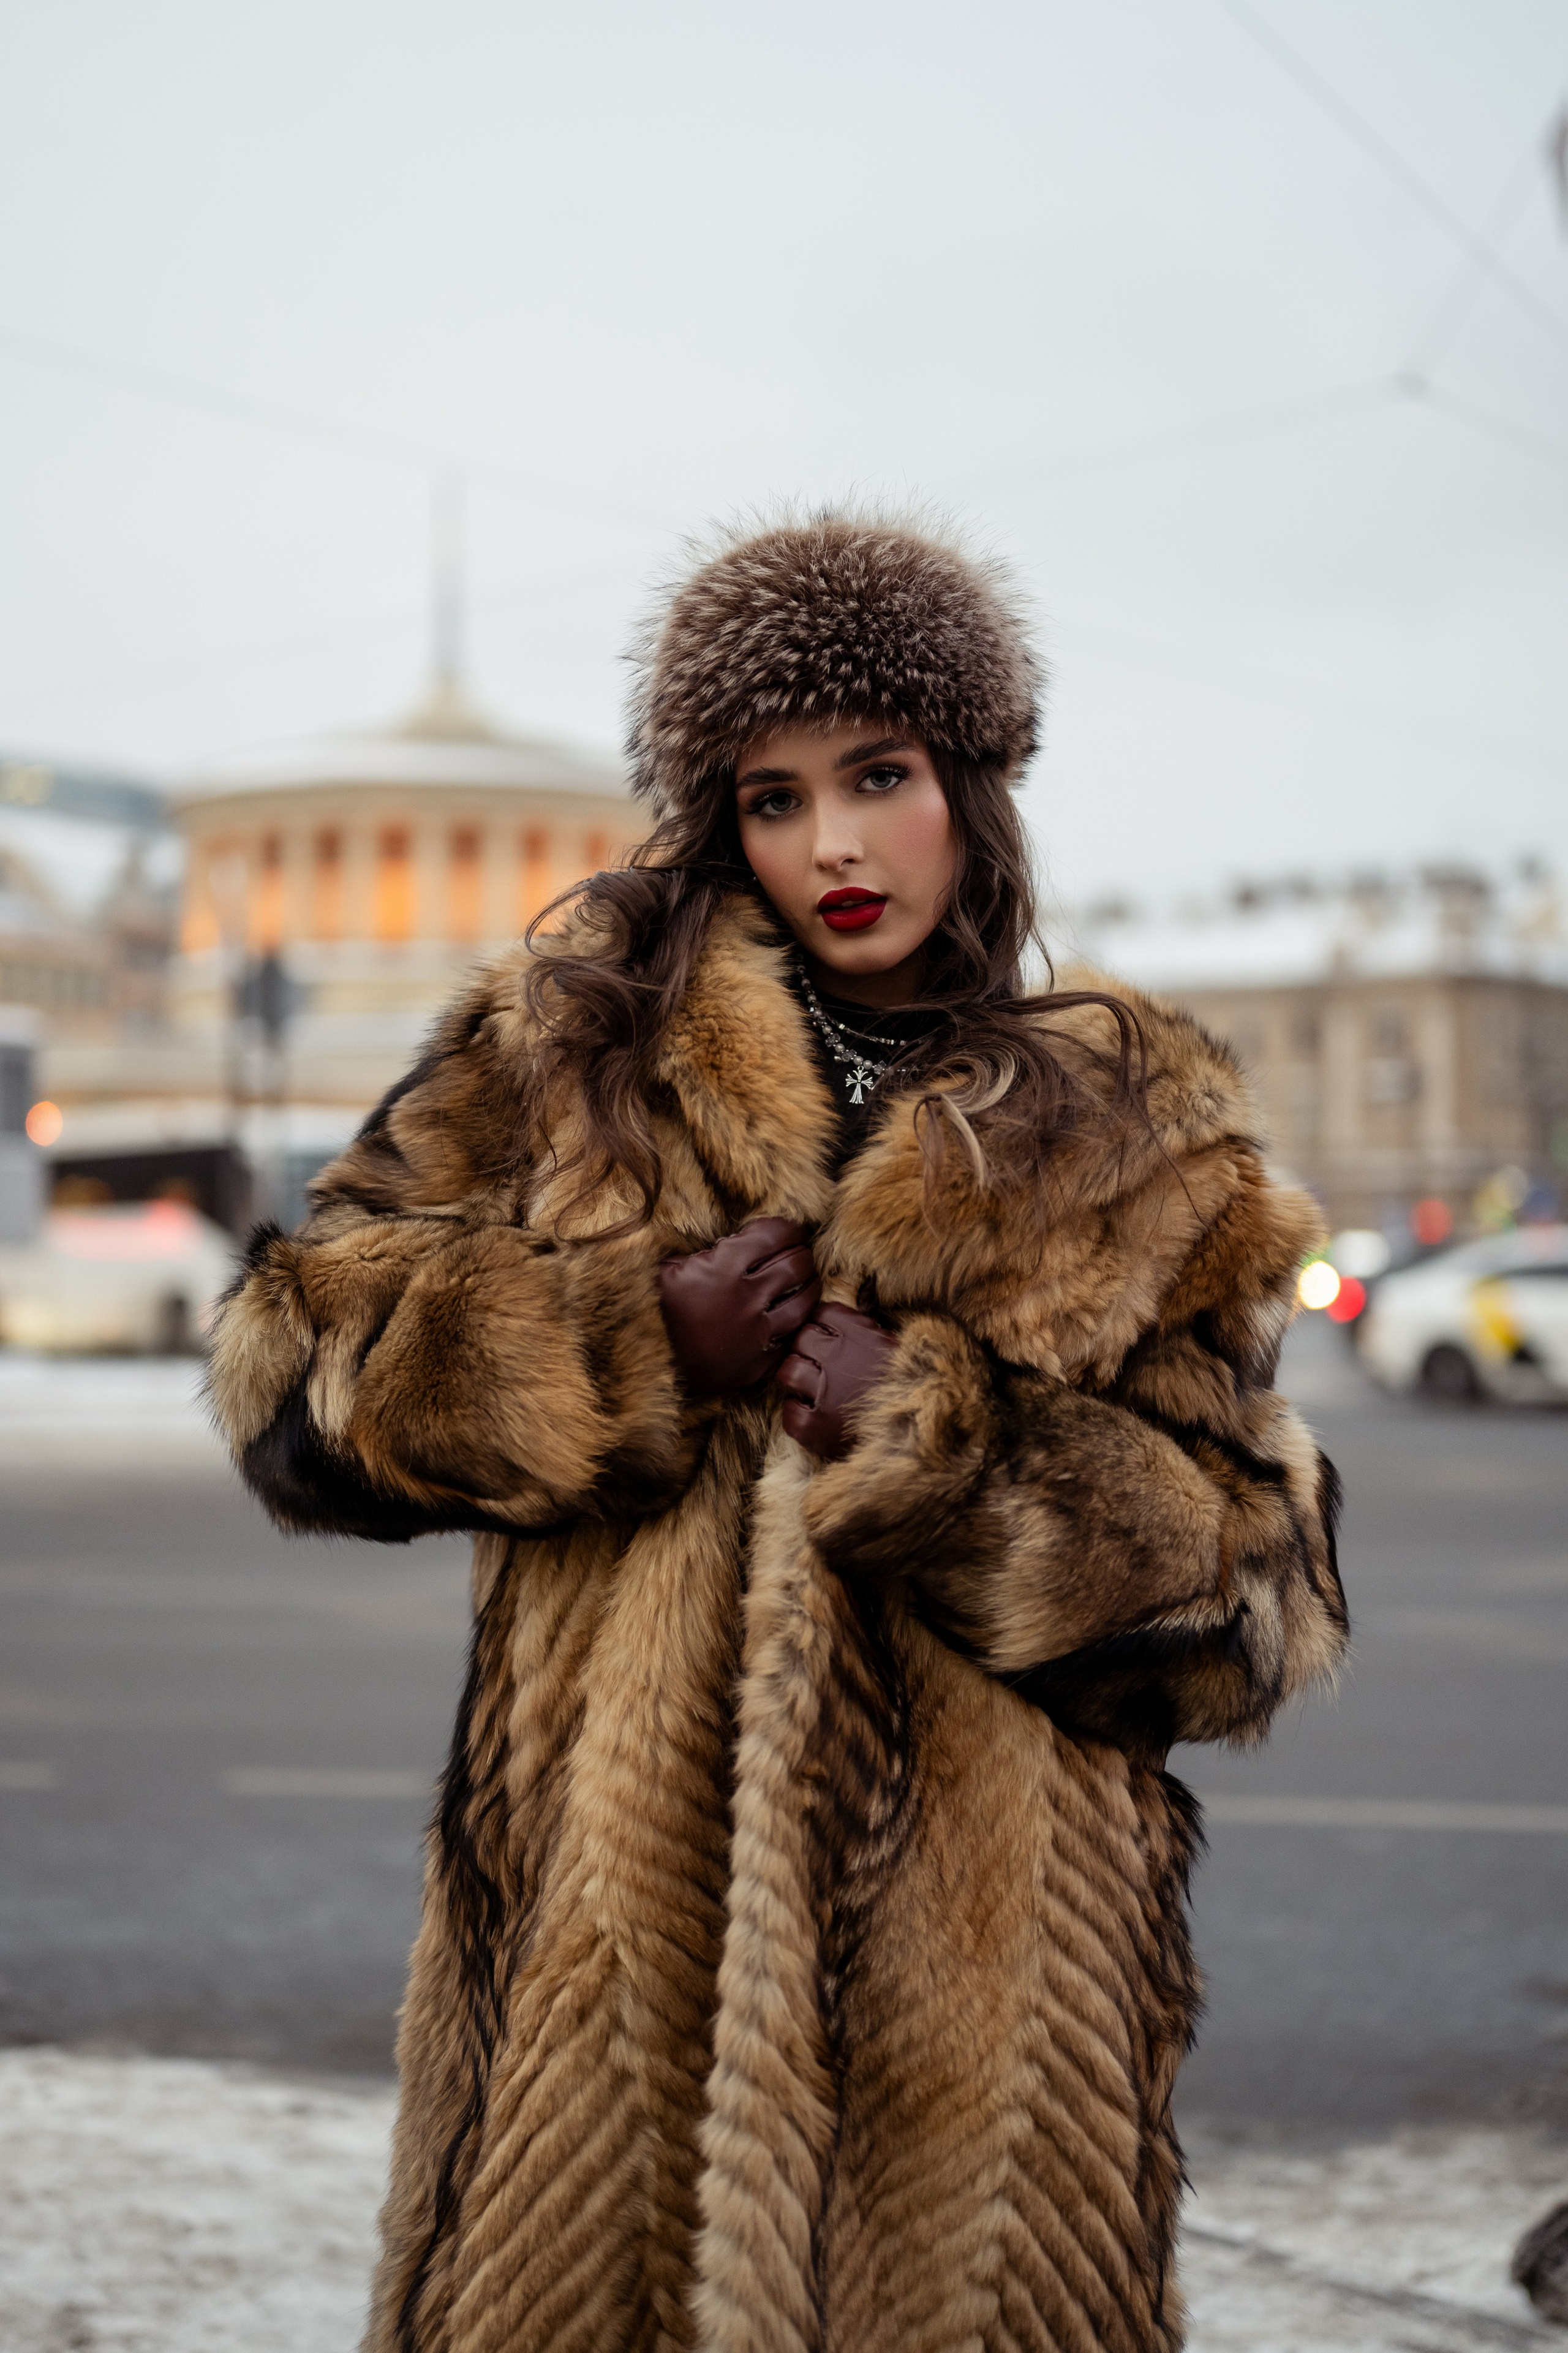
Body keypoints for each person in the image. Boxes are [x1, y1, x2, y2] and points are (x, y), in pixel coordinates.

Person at [209, 512, 1347, 2353]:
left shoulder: (1134, 1135)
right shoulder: (575, 1059)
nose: (833, 844)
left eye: (880, 776)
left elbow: (1251, 1609)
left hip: (987, 2080)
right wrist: (623, 1344)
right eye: (772, 796)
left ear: (970, 784)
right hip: (601, 2036)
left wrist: (945, 1454)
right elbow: (288, 1379)